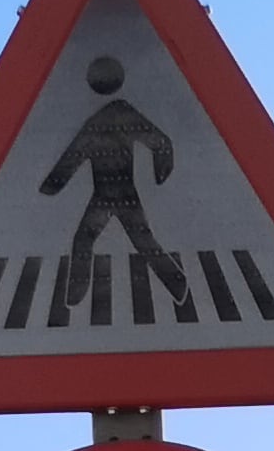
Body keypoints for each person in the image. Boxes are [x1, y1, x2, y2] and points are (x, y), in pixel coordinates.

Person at [41, 56, 189, 317]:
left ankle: (76, 296)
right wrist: (161, 172)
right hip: (113, 194)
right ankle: (176, 282)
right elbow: (161, 143)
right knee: (133, 240)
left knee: (95, 240)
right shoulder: (119, 115)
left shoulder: (100, 121)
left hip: (114, 194)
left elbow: (71, 159)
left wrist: (52, 186)